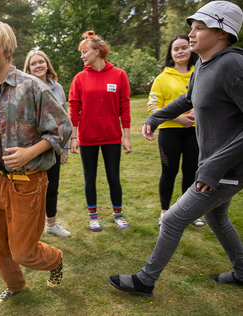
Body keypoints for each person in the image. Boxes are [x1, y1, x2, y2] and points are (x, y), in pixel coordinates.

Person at [109, 1, 243, 297]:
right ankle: (242, 271)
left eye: (200, 28)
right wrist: (156, 117)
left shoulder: (233, 65)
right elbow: (187, 99)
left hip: (227, 169)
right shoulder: (203, 66)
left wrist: (214, 166)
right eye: (191, 27)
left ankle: (145, 280)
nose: (190, 35)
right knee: (216, 217)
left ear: (222, 33)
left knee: (172, 219)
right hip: (216, 167)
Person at [0, 21, 72, 304]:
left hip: (28, 183)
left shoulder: (31, 86)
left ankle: (54, 258)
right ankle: (16, 285)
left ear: (7, 50)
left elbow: (62, 127)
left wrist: (30, 153)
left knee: (23, 251)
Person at [68, 30, 132, 232]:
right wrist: (74, 137)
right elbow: (74, 109)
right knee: (90, 178)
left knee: (114, 176)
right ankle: (93, 216)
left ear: (97, 51)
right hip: (87, 137)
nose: (82, 56)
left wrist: (127, 136)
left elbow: (125, 106)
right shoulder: (79, 78)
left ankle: (118, 214)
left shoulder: (119, 75)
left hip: (112, 136)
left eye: (85, 52)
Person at [148, 35, 205, 227]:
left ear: (191, 50)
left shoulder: (201, 72)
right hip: (170, 131)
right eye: (176, 49)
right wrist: (178, 117)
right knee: (169, 172)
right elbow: (153, 108)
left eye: (184, 47)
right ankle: (165, 212)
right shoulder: (162, 78)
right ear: (171, 53)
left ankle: (189, 212)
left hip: (196, 132)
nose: (180, 52)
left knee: (191, 172)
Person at [23, 50, 71, 238]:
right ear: (28, 68)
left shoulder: (57, 88)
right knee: (31, 188)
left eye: (41, 62)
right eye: (33, 63)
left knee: (52, 186)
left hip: (54, 147)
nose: (38, 66)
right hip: (32, 148)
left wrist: (64, 148)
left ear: (47, 64)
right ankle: (29, 228)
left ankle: (51, 224)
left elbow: (64, 120)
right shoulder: (25, 88)